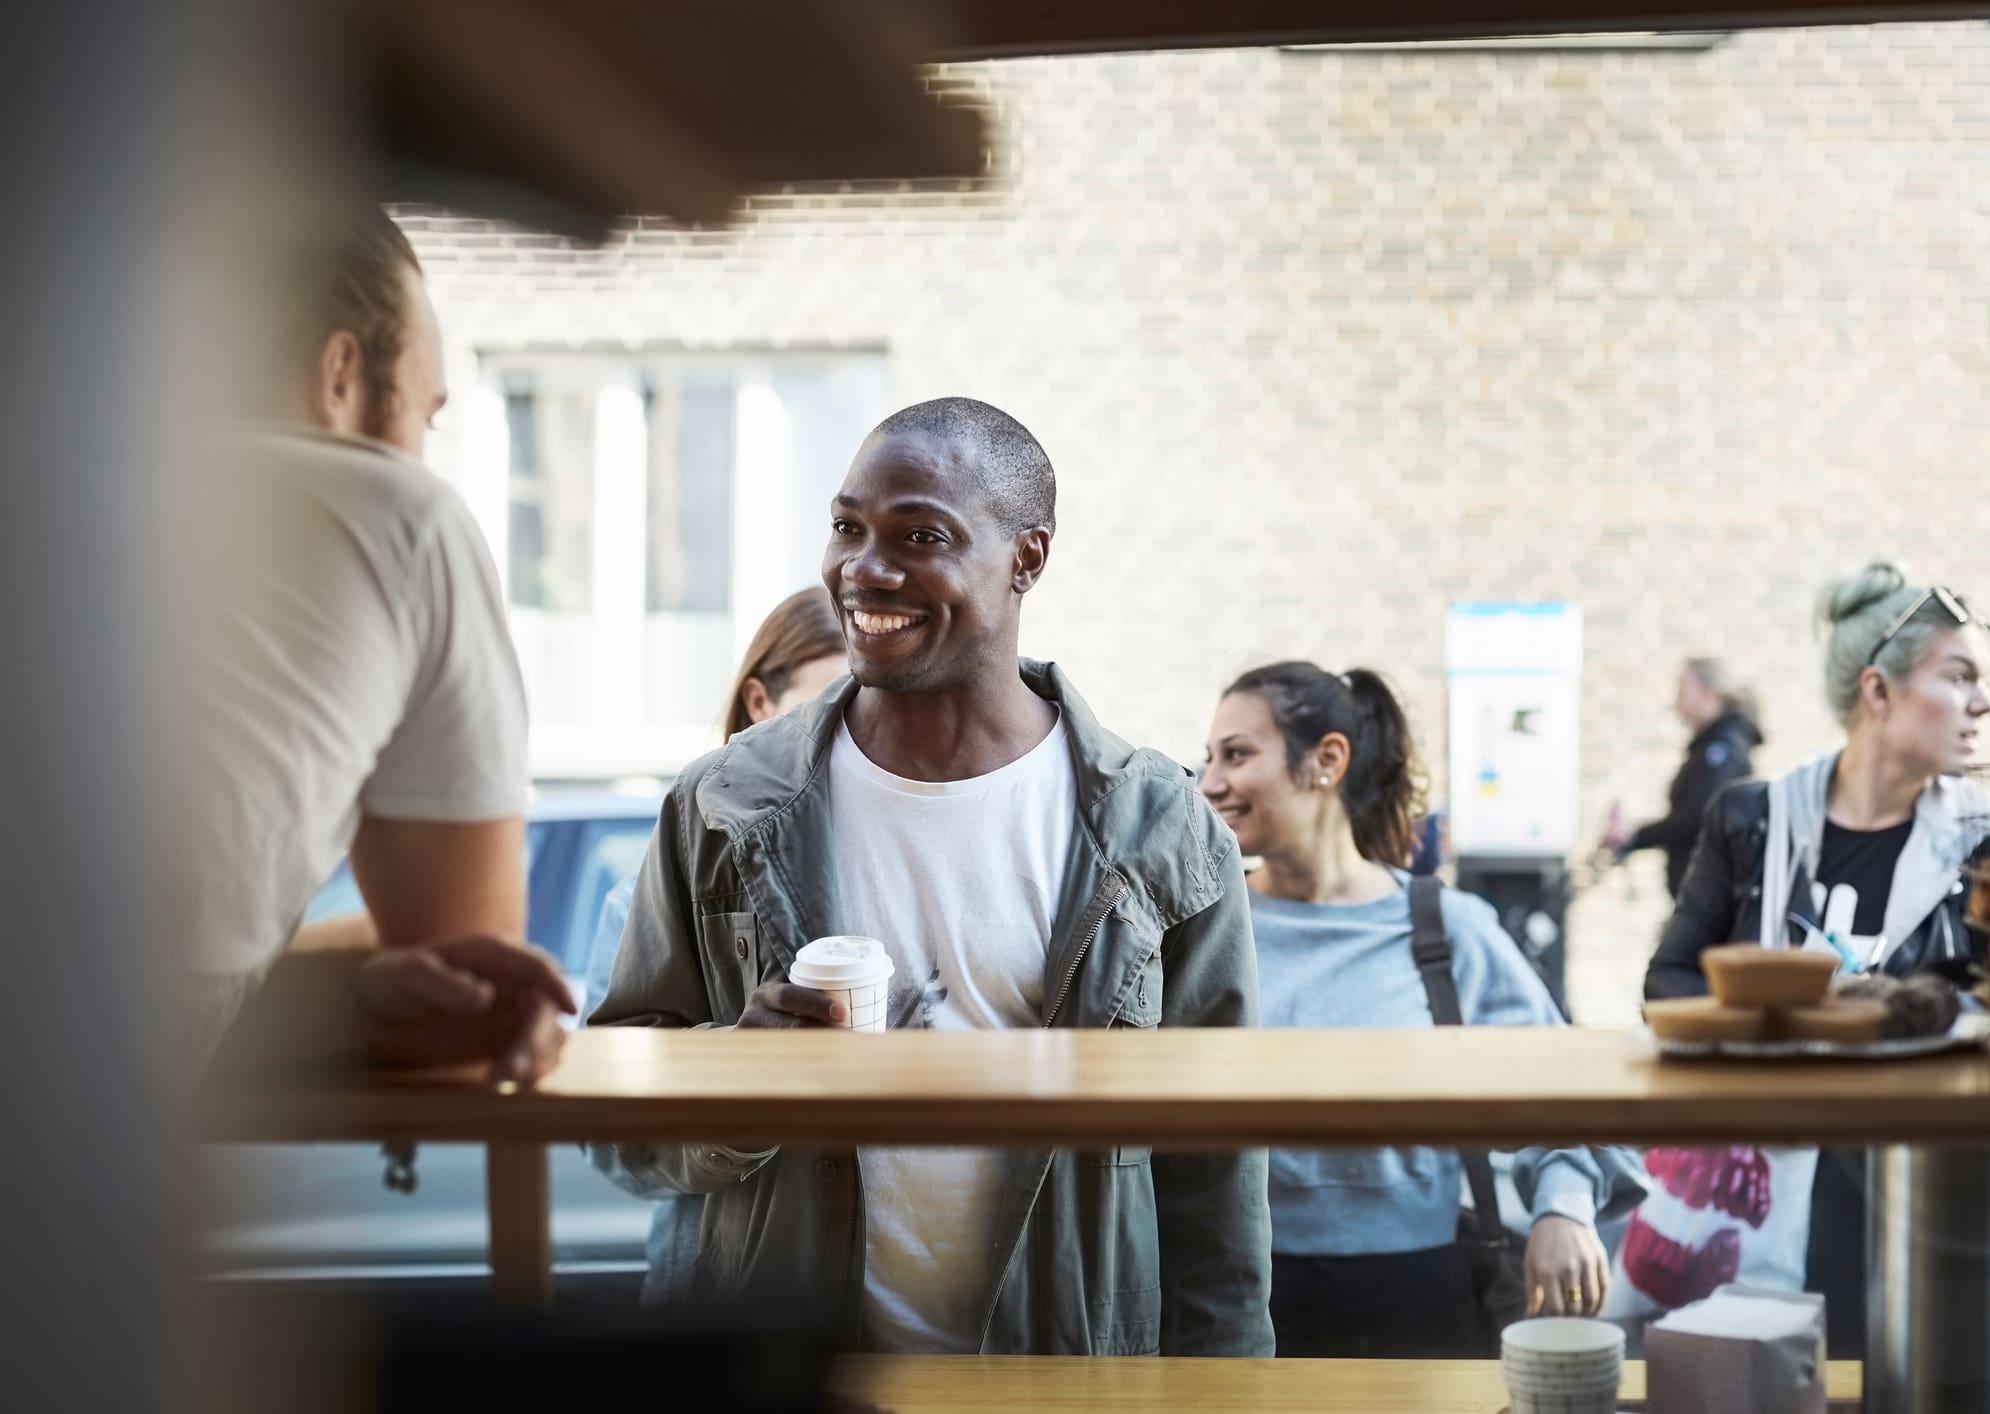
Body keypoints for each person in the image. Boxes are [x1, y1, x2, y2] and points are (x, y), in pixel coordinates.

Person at [589, 397, 1273, 1355]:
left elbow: (1216, 1186)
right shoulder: (721, 804)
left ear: (1026, 558)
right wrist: (737, 1077)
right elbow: (612, 1111)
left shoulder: (1158, 831)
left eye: (920, 536)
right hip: (783, 1375)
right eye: (846, 527)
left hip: (1058, 1382)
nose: (863, 570)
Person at [175, 207, 572, 1081]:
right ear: (340, 376)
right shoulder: (397, 516)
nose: (422, 459)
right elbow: (466, 976)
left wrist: (338, 999)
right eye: (426, 419)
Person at [1200, 661, 1645, 1359]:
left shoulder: (1444, 929)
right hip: (1232, 1292)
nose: (1209, 783)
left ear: (1326, 761)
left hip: (1414, 1292)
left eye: (1236, 754)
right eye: (1208, 758)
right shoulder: (1204, 929)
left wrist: (1562, 1207)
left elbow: (1563, 1091)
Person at [1620, 562, 1990, 1353]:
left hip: (1921, 1198)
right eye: (1959, 676)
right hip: (1753, 1189)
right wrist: (1790, 1015)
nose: (1984, 703)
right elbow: (1667, 981)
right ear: (1878, 693)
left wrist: (1896, 1012)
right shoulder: (1751, 820)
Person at [582, 586, 847, 1015]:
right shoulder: (649, 901)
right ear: (759, 702)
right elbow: (616, 1058)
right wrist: (741, 1047)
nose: (847, 729)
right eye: (819, 710)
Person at [1605, 659, 1763, 900]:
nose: (1675, 698)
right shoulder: (1712, 746)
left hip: (1707, 896)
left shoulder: (1720, 750)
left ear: (1710, 694)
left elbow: (1697, 817)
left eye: (1682, 689)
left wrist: (1635, 837)